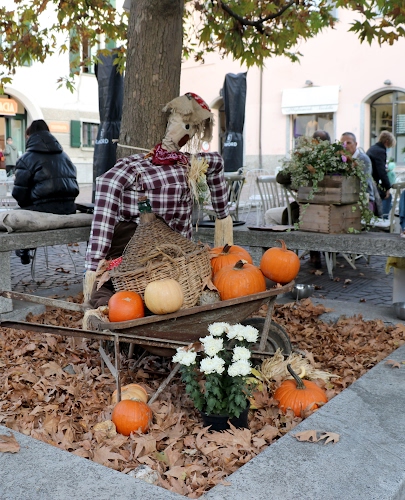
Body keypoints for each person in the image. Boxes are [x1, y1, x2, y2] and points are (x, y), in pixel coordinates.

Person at [85, 92, 231, 308]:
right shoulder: (135, 167)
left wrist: (223, 218)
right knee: (122, 287)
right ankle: (112, 301)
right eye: (176, 123)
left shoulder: (190, 164)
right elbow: (107, 185)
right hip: (131, 242)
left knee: (177, 288)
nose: (180, 132)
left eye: (189, 128)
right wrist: (94, 263)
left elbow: (216, 164)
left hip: (174, 249)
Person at [12, 119, 79, 264]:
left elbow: (19, 194)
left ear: (29, 136)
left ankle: (24, 248)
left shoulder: (26, 159)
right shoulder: (65, 156)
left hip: (43, 209)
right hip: (69, 208)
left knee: (16, 214)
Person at [266, 130, 331, 268]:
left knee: (274, 215)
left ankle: (282, 257)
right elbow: (281, 177)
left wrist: (297, 165)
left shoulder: (311, 164)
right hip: (328, 213)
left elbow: (281, 178)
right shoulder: (331, 163)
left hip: (309, 213)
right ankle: (311, 254)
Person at [340, 132, 374, 212]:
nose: (345, 146)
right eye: (342, 143)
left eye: (348, 143)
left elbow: (363, 182)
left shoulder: (363, 159)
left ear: (355, 144)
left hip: (364, 200)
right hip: (346, 199)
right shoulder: (340, 159)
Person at [366, 131, 396, 219]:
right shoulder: (380, 151)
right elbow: (381, 172)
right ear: (387, 141)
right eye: (389, 145)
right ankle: (383, 219)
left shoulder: (373, 148)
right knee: (388, 197)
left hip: (369, 181)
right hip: (371, 183)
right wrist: (387, 187)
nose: (389, 148)